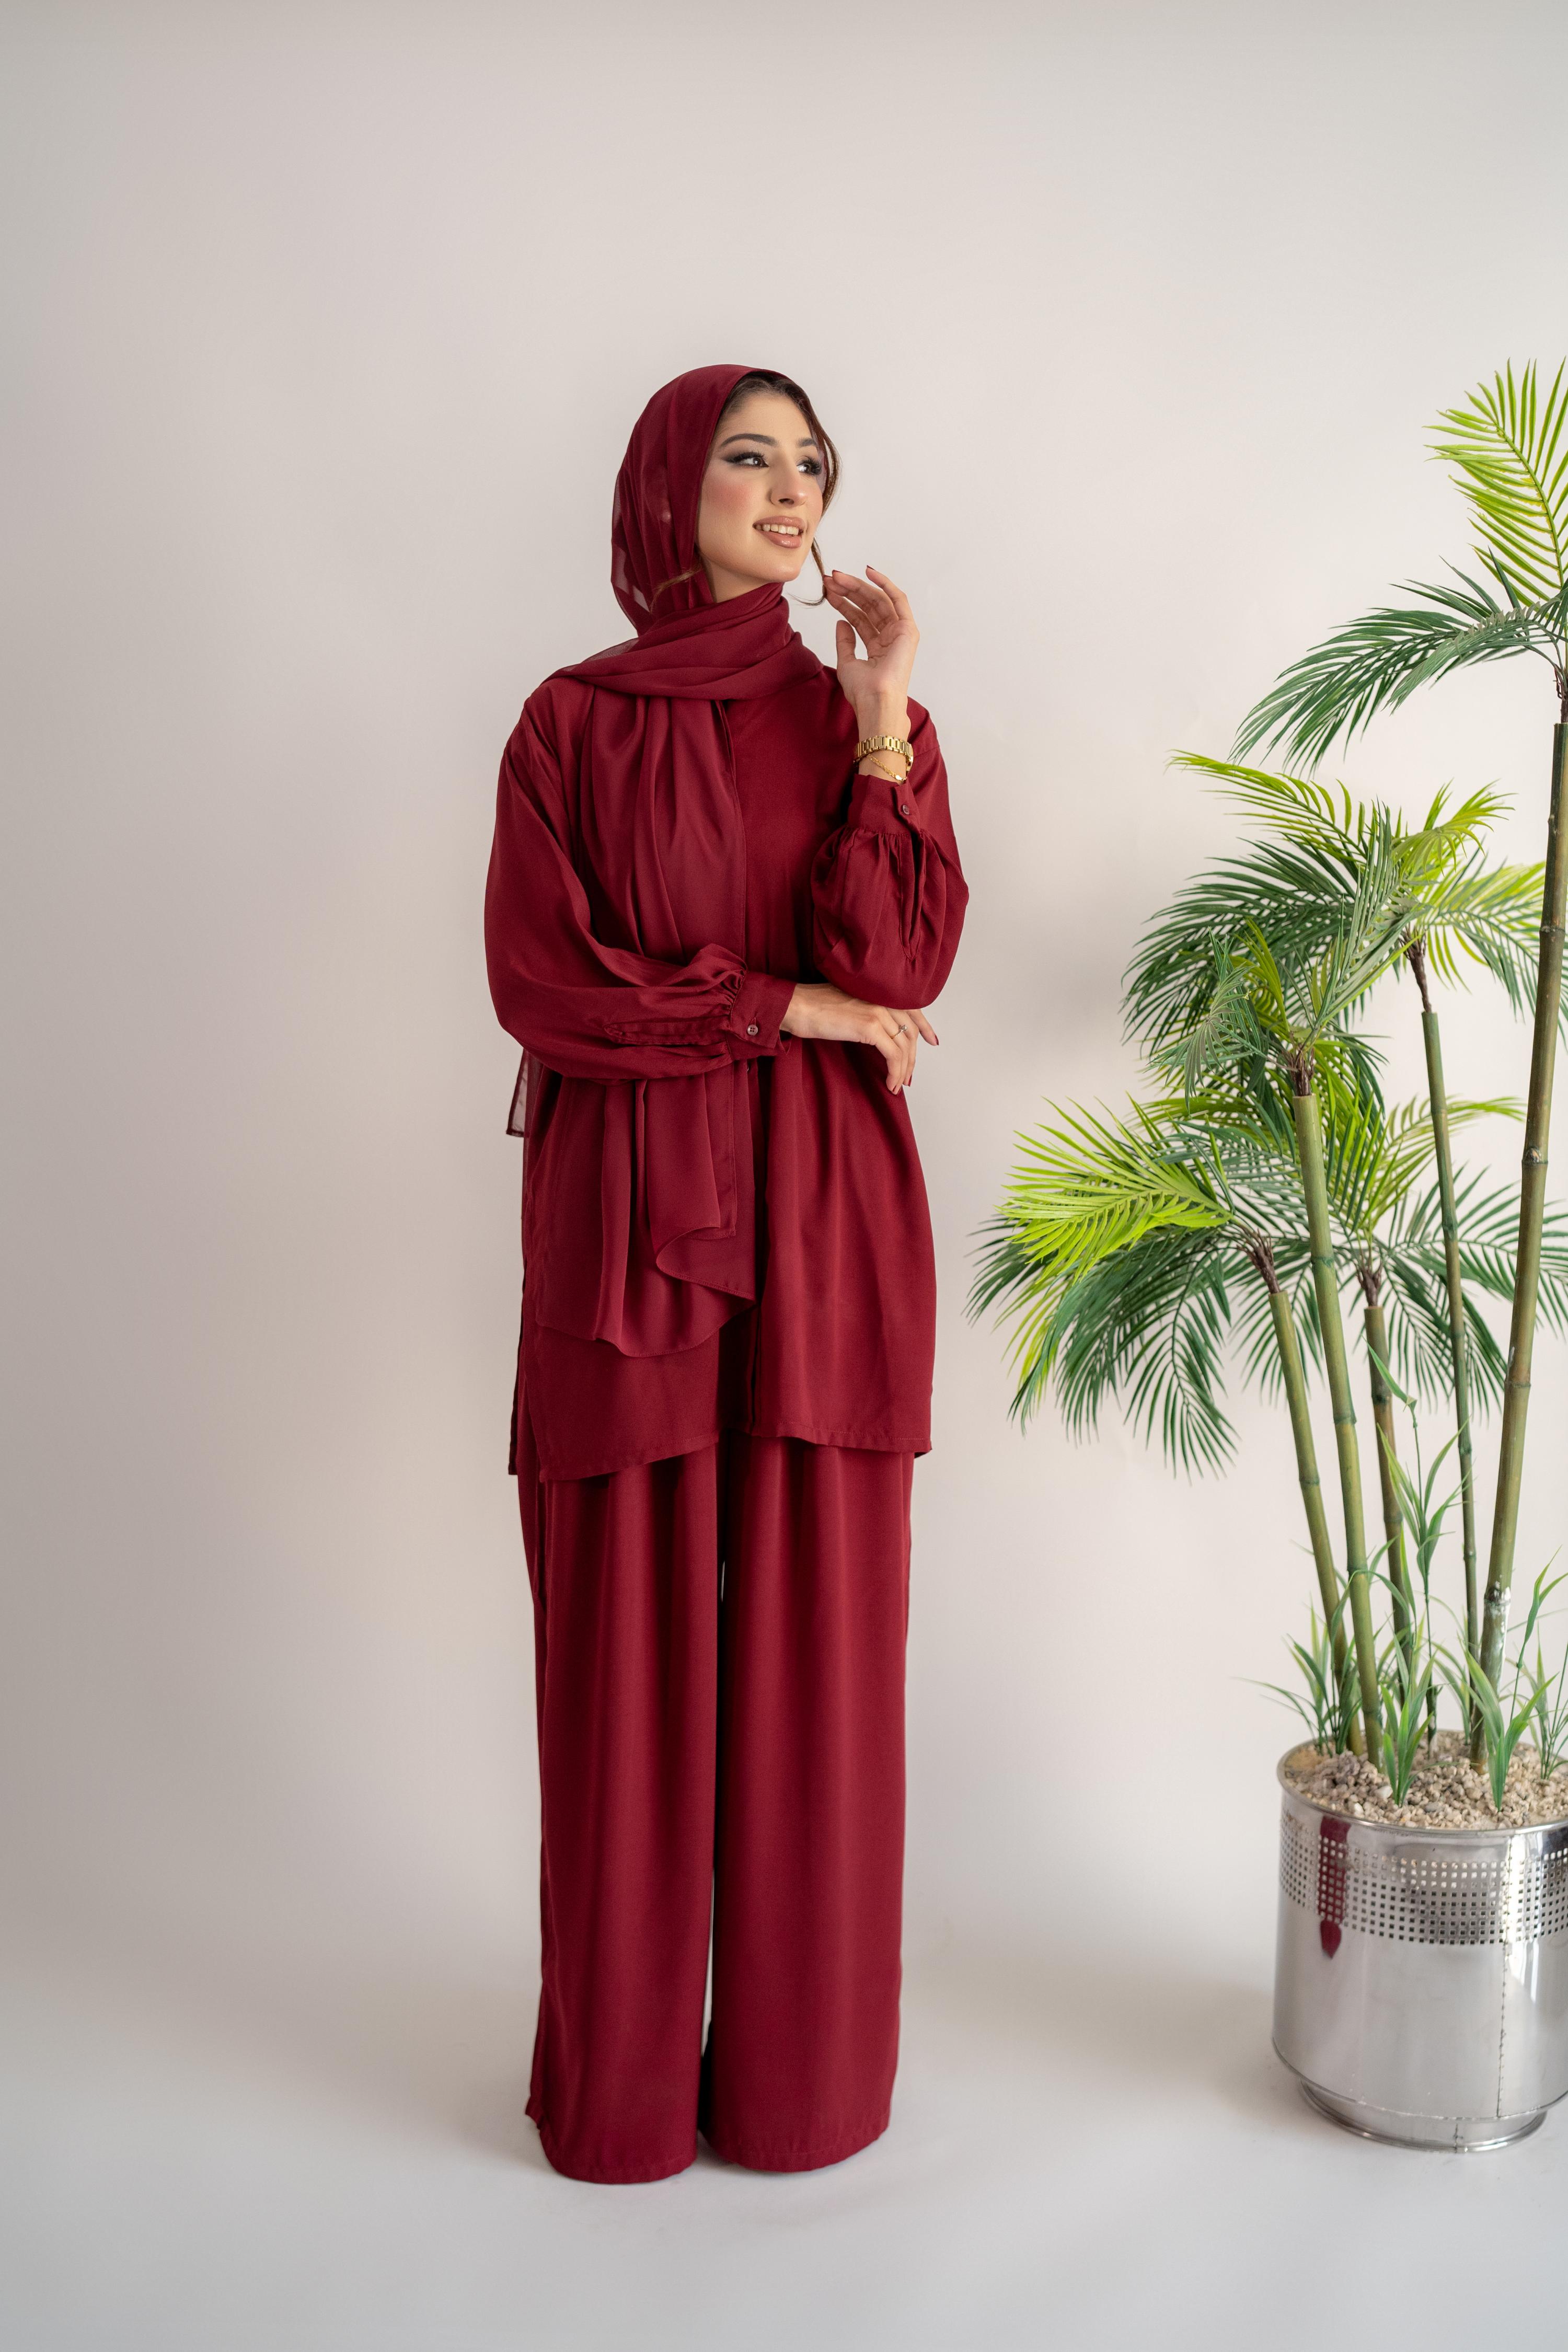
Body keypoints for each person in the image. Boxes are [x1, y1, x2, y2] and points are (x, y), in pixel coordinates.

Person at [485, 363, 966, 2184]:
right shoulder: (569, 725)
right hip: (629, 1241)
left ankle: (800, 2095)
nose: (787, 489)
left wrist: (883, 717)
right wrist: (789, 1009)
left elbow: (900, 960)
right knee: (621, 1675)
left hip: (826, 1229)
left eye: (810, 464)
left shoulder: (862, 720)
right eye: (747, 457)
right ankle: (617, 2099)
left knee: (819, 1680)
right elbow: (549, 987)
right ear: (666, 487)